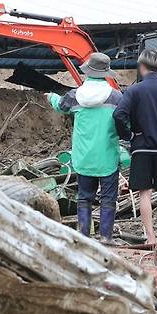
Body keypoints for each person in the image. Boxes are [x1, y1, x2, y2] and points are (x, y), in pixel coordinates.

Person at [47, 52, 127, 244]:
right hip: (107, 155)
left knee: (84, 198)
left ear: (87, 72)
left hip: (83, 157)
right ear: (106, 73)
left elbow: (60, 106)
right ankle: (106, 237)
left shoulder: (75, 96)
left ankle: (84, 236)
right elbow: (126, 120)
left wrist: (50, 97)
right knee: (108, 199)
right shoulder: (116, 97)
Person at [113, 49, 157, 244]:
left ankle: (151, 238)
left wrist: (128, 135)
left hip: (141, 147)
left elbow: (119, 115)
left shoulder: (134, 91)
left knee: (144, 193)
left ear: (141, 66)